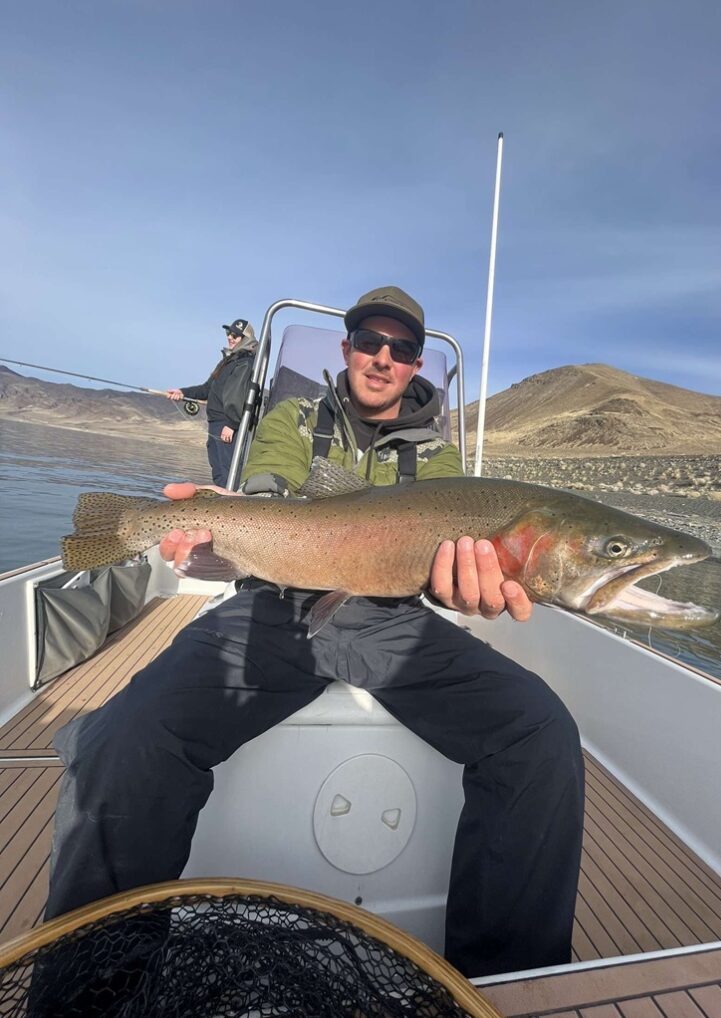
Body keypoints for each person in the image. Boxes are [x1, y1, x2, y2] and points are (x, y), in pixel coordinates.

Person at [46, 286, 585, 980]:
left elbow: (456, 570)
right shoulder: (292, 419)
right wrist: (225, 527)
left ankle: (507, 985)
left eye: (403, 349)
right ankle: (86, 992)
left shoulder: (444, 465)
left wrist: (471, 585)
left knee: (540, 731)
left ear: (418, 364)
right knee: (124, 735)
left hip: (393, 623)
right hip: (275, 607)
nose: (384, 358)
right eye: (370, 341)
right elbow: (266, 503)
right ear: (347, 347)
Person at [167, 317, 257, 487]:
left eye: (235, 336)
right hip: (216, 424)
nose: (230, 337)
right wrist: (182, 392)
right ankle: (222, 505)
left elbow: (239, 395)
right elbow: (207, 389)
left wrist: (231, 424)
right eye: (229, 333)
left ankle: (231, 507)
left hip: (227, 425)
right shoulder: (227, 362)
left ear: (245, 339)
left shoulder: (245, 363)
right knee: (218, 471)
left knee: (228, 473)